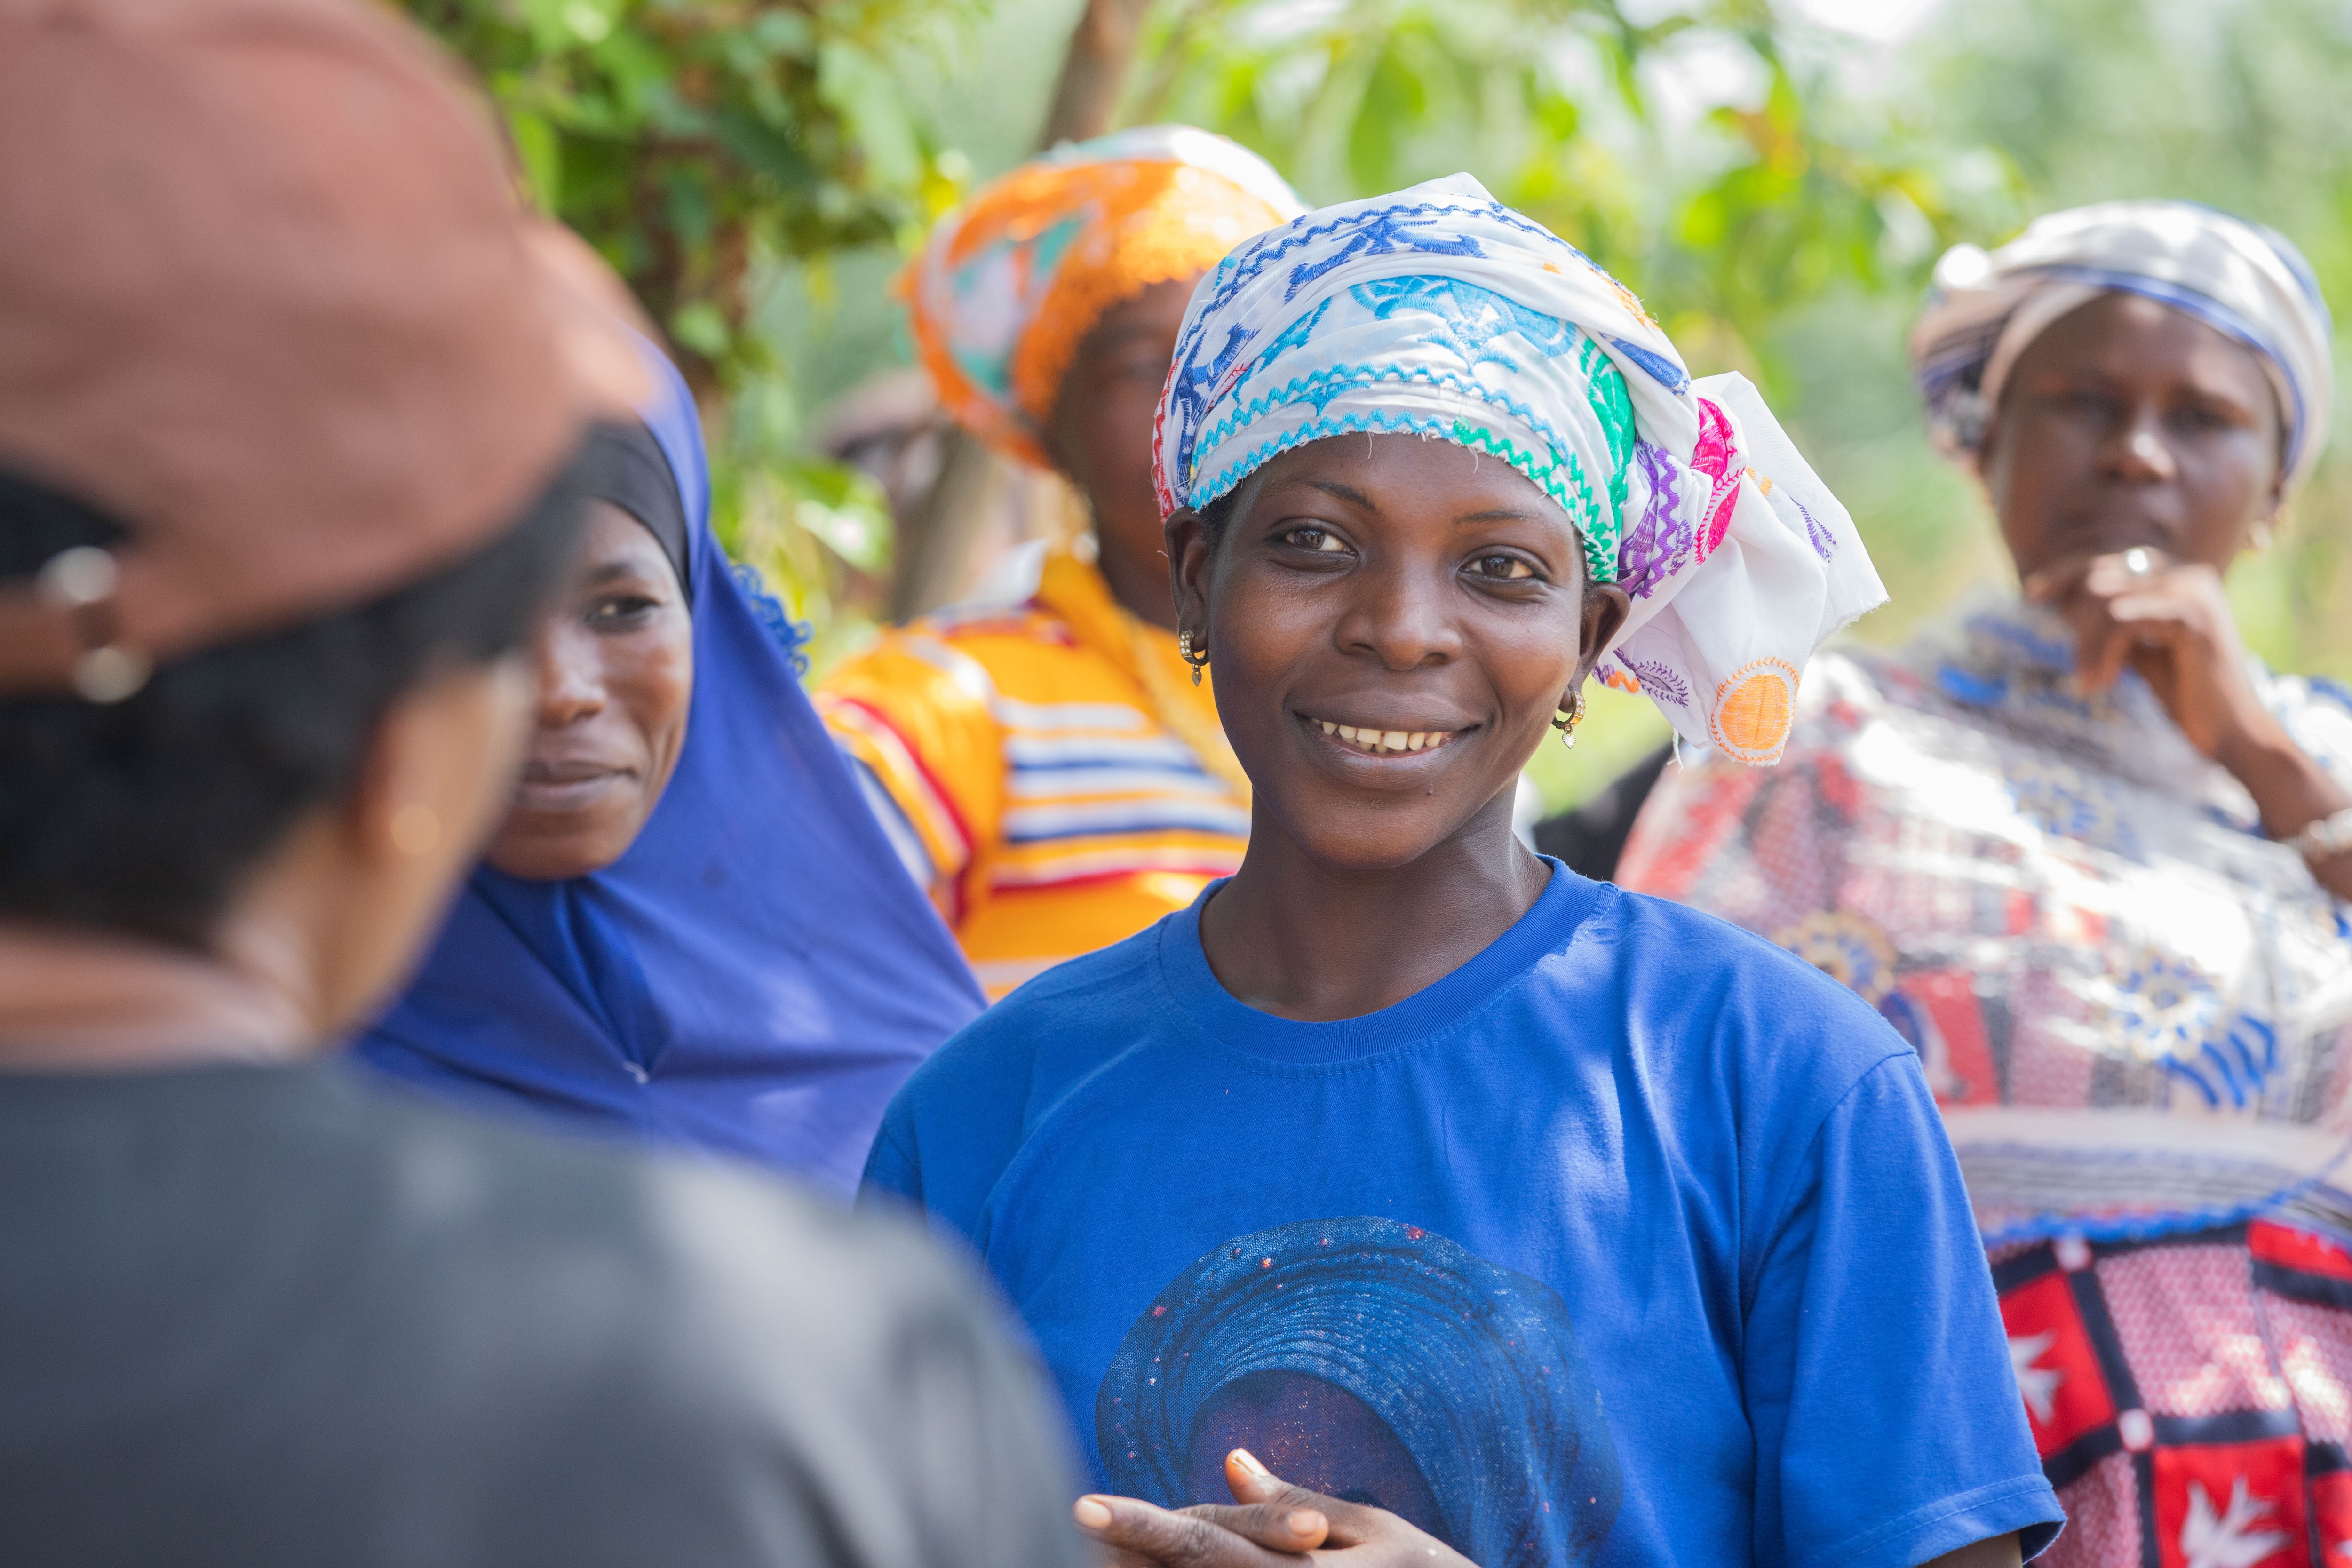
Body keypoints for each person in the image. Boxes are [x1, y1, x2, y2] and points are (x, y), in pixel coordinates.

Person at [0, 2, 1087, 1562]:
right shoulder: (823, 1383)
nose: (565, 691)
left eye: (624, 607)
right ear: (411, 751)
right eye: (500, 634)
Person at [863, 173, 2064, 1568]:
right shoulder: (985, 1115)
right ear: (1197, 573)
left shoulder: (1778, 1086)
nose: (1402, 626)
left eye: (1499, 567)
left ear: (1592, 635)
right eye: (1314, 541)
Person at [1616, 201, 2352, 1564]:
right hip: (1956, 1493)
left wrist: (2264, 754)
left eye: (2202, 419)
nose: (2137, 451)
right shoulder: (1823, 742)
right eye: (2081, 402)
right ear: (1982, 442)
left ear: (2278, 492)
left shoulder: (2332, 764)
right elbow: (1662, 1134)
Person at [358, 344, 983, 1198]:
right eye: (484, 614)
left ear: (705, 625)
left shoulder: (924, 1064)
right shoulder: (272, 1054)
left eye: (623, 610)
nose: (561, 691)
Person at [818, 127, 1304, 998]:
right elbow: (760, 921)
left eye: (1236, 362)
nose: (1194, 407)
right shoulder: (959, 700)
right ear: (1053, 433)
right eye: (1143, 367)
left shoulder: (1377, 694)